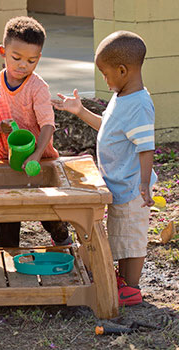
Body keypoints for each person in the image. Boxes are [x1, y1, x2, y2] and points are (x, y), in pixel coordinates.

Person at [52, 31, 156, 306]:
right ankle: (123, 280)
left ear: (123, 70)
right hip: (121, 184)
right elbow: (109, 128)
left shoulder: (139, 105)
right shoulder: (122, 96)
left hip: (134, 187)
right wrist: (80, 111)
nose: (104, 79)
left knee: (132, 238)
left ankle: (131, 289)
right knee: (120, 234)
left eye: (106, 73)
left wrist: (144, 184)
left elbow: (146, 148)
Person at [0, 16, 71, 248]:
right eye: (16, 58)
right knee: (6, 212)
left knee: (48, 209)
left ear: (39, 58)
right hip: (4, 158)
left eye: (31, 61)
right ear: (3, 51)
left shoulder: (38, 88)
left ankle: (61, 236)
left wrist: (36, 155)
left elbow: (48, 125)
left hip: (41, 158)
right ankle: (6, 250)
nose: (23, 65)